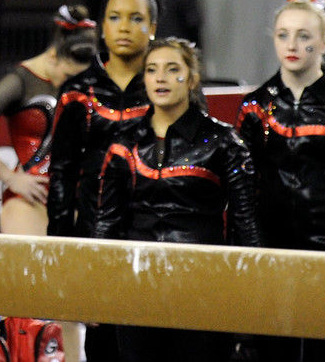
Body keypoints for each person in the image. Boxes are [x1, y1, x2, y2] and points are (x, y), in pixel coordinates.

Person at [94, 38, 260, 361]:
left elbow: (245, 224)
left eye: (173, 70)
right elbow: (107, 222)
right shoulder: (124, 143)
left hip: (201, 284)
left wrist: (247, 298)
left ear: (192, 78)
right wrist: (98, 288)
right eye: (152, 70)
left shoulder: (225, 143)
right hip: (137, 284)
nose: (161, 78)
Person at [238, 0, 325, 362]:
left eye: (303, 35)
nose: (291, 45)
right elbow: (243, 187)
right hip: (271, 243)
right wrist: (249, 246)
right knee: (275, 346)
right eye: (283, 34)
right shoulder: (255, 105)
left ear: (324, 42)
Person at [47, 0, 156, 362]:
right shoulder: (78, 92)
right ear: (101, 26)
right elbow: (61, 175)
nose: (124, 27)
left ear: (153, 27)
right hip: (95, 234)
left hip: (157, 236)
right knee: (105, 345)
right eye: (114, 17)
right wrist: (59, 248)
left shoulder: (168, 88)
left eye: (136, 18)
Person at [0, 5, 98, 236]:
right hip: (30, 198)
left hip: (79, 197)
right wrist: (9, 177)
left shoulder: (89, 83)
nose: (75, 87)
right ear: (53, 57)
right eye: (68, 77)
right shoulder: (21, 80)